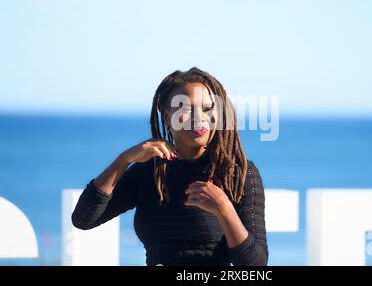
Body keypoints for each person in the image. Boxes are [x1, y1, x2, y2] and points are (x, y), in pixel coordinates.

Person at [71, 67, 268, 266]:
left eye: (207, 108)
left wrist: (224, 209)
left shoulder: (238, 173)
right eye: (185, 109)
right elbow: (83, 219)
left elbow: (256, 265)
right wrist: (124, 160)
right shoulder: (151, 170)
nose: (198, 117)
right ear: (166, 116)